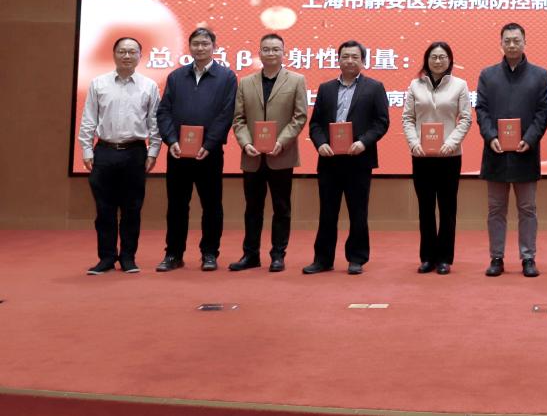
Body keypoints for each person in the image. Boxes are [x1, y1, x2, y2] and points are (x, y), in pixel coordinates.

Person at [155, 27, 238, 272]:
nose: (200, 48)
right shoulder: (176, 76)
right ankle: (173, 254)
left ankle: (209, 253)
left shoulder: (227, 77)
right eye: (196, 44)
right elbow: (164, 111)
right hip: (178, 153)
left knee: (212, 205)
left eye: (205, 43)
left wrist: (209, 144)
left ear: (214, 47)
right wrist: (171, 140)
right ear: (189, 47)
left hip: (209, 154)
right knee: (177, 206)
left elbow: (227, 114)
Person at [304, 40, 389, 275]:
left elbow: (381, 122)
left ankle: (357, 258)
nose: (349, 61)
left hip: (359, 159)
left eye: (354, 57)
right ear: (338, 60)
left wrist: (363, 142)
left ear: (363, 61)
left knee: (358, 212)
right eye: (345, 56)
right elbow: (315, 124)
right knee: (327, 212)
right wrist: (320, 143)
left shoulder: (374, 87)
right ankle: (323, 259)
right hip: (329, 160)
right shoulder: (326, 88)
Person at [78, 37, 161, 275]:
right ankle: (106, 258)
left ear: (140, 56)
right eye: (122, 51)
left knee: (132, 209)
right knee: (104, 209)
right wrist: (86, 149)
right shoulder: (98, 83)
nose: (127, 56)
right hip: (104, 151)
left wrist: (153, 151)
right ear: (114, 54)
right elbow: (89, 119)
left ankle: (128, 257)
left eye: (132, 52)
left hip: (135, 152)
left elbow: (154, 122)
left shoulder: (149, 86)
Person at [476, 23, 547, 278]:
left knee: (527, 209)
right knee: (496, 209)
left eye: (516, 40)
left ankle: (528, 257)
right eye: (507, 40)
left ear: (524, 42)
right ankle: (496, 257)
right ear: (501, 44)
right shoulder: (488, 75)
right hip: (495, 152)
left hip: (525, 152)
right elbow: (481, 110)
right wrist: (490, 136)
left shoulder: (540, 76)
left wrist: (530, 138)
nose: (511, 45)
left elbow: (543, 112)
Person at [229, 33, 308, 272]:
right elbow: (238, 119)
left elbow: (299, 116)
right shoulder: (246, 82)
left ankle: (278, 255)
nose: (271, 53)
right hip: (252, 156)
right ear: (259, 53)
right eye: (266, 49)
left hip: (281, 155)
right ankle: (250, 255)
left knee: (281, 208)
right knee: (252, 208)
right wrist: (246, 143)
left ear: (284, 53)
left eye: (275, 49)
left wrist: (281, 142)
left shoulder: (296, 80)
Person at [402, 41, 471, 275]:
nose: (438, 61)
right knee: (425, 208)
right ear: (427, 60)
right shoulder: (415, 85)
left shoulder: (460, 85)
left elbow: (465, 119)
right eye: (434, 57)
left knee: (447, 208)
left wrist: (451, 143)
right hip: (421, 156)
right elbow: (407, 118)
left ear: (449, 60)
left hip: (449, 156)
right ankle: (427, 257)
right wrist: (414, 143)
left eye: (442, 57)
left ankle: (444, 258)